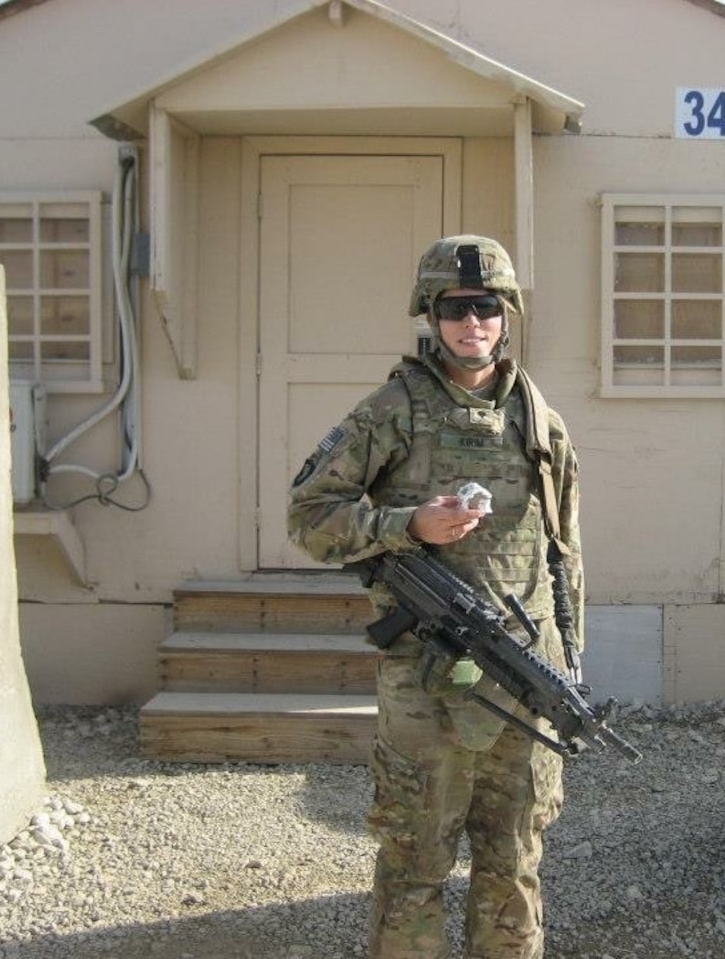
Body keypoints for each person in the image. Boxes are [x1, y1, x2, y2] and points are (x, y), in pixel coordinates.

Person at [286, 235, 584, 959]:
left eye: (486, 306)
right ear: (431, 313)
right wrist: (405, 525)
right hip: (427, 674)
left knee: (513, 863)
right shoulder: (394, 411)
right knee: (416, 859)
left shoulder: (539, 421)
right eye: (456, 307)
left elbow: (563, 552)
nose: (472, 322)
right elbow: (308, 517)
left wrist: (571, 659)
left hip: (523, 671)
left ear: (506, 315)